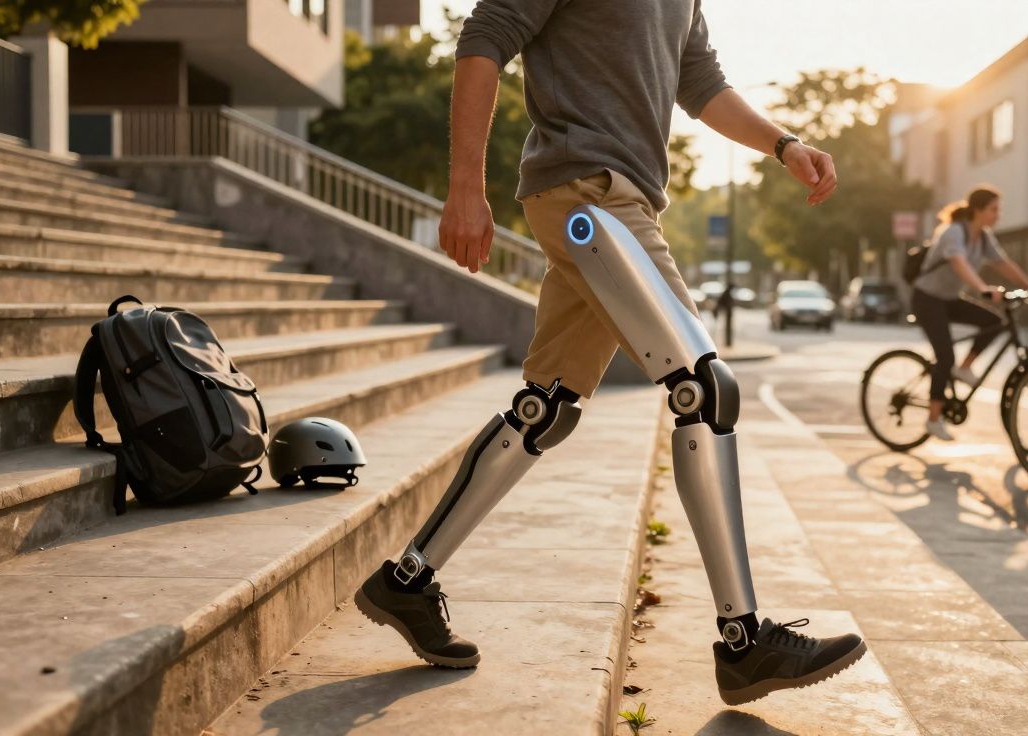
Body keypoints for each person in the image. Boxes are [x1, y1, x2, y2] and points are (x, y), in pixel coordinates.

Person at [352, 0, 866, 706]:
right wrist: (465, 188)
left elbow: (702, 82)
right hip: (587, 194)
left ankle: (405, 584)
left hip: (622, 201)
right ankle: (743, 642)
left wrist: (784, 144)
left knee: (545, 409)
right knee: (705, 388)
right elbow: (484, 39)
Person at [911, 186, 1028, 441]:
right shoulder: (953, 232)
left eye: (998, 209)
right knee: (945, 356)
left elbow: (1003, 263)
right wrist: (981, 288)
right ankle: (933, 419)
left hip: (949, 298)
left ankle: (965, 368)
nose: (998, 215)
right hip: (927, 299)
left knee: (994, 321)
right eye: (994, 209)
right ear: (977, 211)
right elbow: (959, 263)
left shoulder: (983, 237)